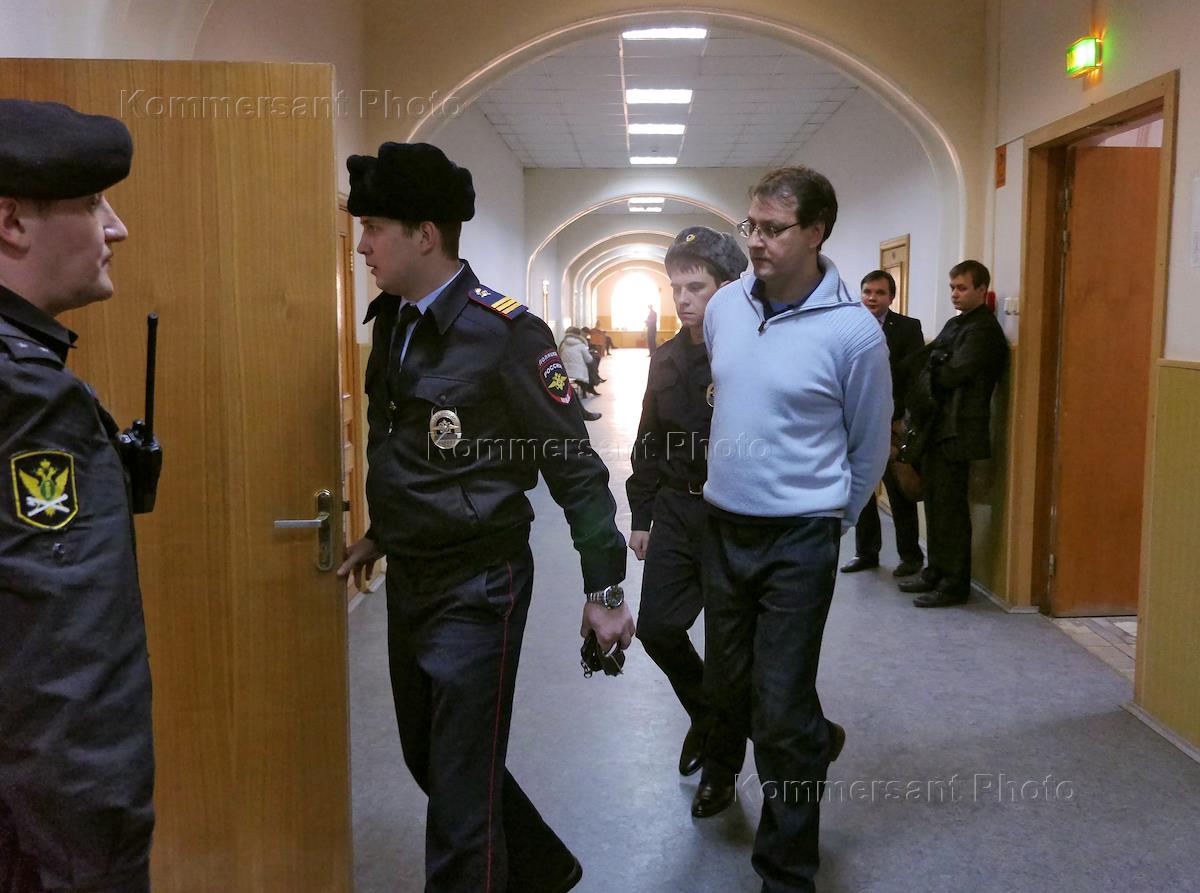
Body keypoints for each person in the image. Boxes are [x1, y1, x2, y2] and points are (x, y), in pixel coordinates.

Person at [335, 142, 634, 893]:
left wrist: (604, 589)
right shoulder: (393, 322)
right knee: (430, 758)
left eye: (373, 228)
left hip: (480, 581)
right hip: (414, 572)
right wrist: (381, 532)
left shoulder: (507, 332)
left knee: (461, 792)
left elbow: (573, 465)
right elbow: (402, 446)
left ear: (424, 234)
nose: (362, 245)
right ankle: (543, 869)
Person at [702, 167, 892, 892]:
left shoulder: (853, 332)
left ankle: (785, 871)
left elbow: (868, 444)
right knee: (730, 689)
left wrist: (833, 518)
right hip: (725, 526)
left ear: (815, 232)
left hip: (799, 538)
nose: (755, 241)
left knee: (778, 708)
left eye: (773, 229)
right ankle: (815, 737)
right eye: (749, 225)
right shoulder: (725, 306)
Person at [0, 100, 156, 893]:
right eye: (93, 202)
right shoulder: (28, 400)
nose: (116, 227)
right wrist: (101, 855)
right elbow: (67, 671)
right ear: (11, 222)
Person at [625, 226, 749, 815]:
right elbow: (648, 438)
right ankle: (706, 714)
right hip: (676, 508)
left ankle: (720, 773)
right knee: (657, 628)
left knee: (727, 650)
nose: (682, 299)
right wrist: (642, 513)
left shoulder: (746, 354)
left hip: (732, 513)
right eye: (675, 287)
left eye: (695, 286)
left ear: (726, 287)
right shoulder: (667, 357)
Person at [899, 260, 1007, 608]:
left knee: (951, 511)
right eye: (952, 288)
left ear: (981, 290)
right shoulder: (956, 324)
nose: (955, 294)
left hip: (958, 430)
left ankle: (954, 583)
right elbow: (927, 361)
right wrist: (932, 366)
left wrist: (934, 367)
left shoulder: (984, 330)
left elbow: (951, 374)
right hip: (938, 426)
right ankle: (936, 571)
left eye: (962, 288)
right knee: (935, 505)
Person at [840, 270, 926, 577]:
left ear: (891, 297)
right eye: (867, 292)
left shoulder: (907, 328)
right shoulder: (849, 326)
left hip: (892, 423)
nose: (872, 298)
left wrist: (897, 418)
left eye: (879, 293)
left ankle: (910, 556)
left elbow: (914, 377)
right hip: (858, 421)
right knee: (861, 490)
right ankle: (866, 552)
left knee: (899, 490)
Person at [558, 325, 601, 421]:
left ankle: (595, 381)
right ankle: (593, 383)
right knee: (592, 362)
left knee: (589, 366)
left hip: (565, 373)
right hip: (579, 375)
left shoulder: (563, 344)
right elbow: (588, 359)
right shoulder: (581, 344)